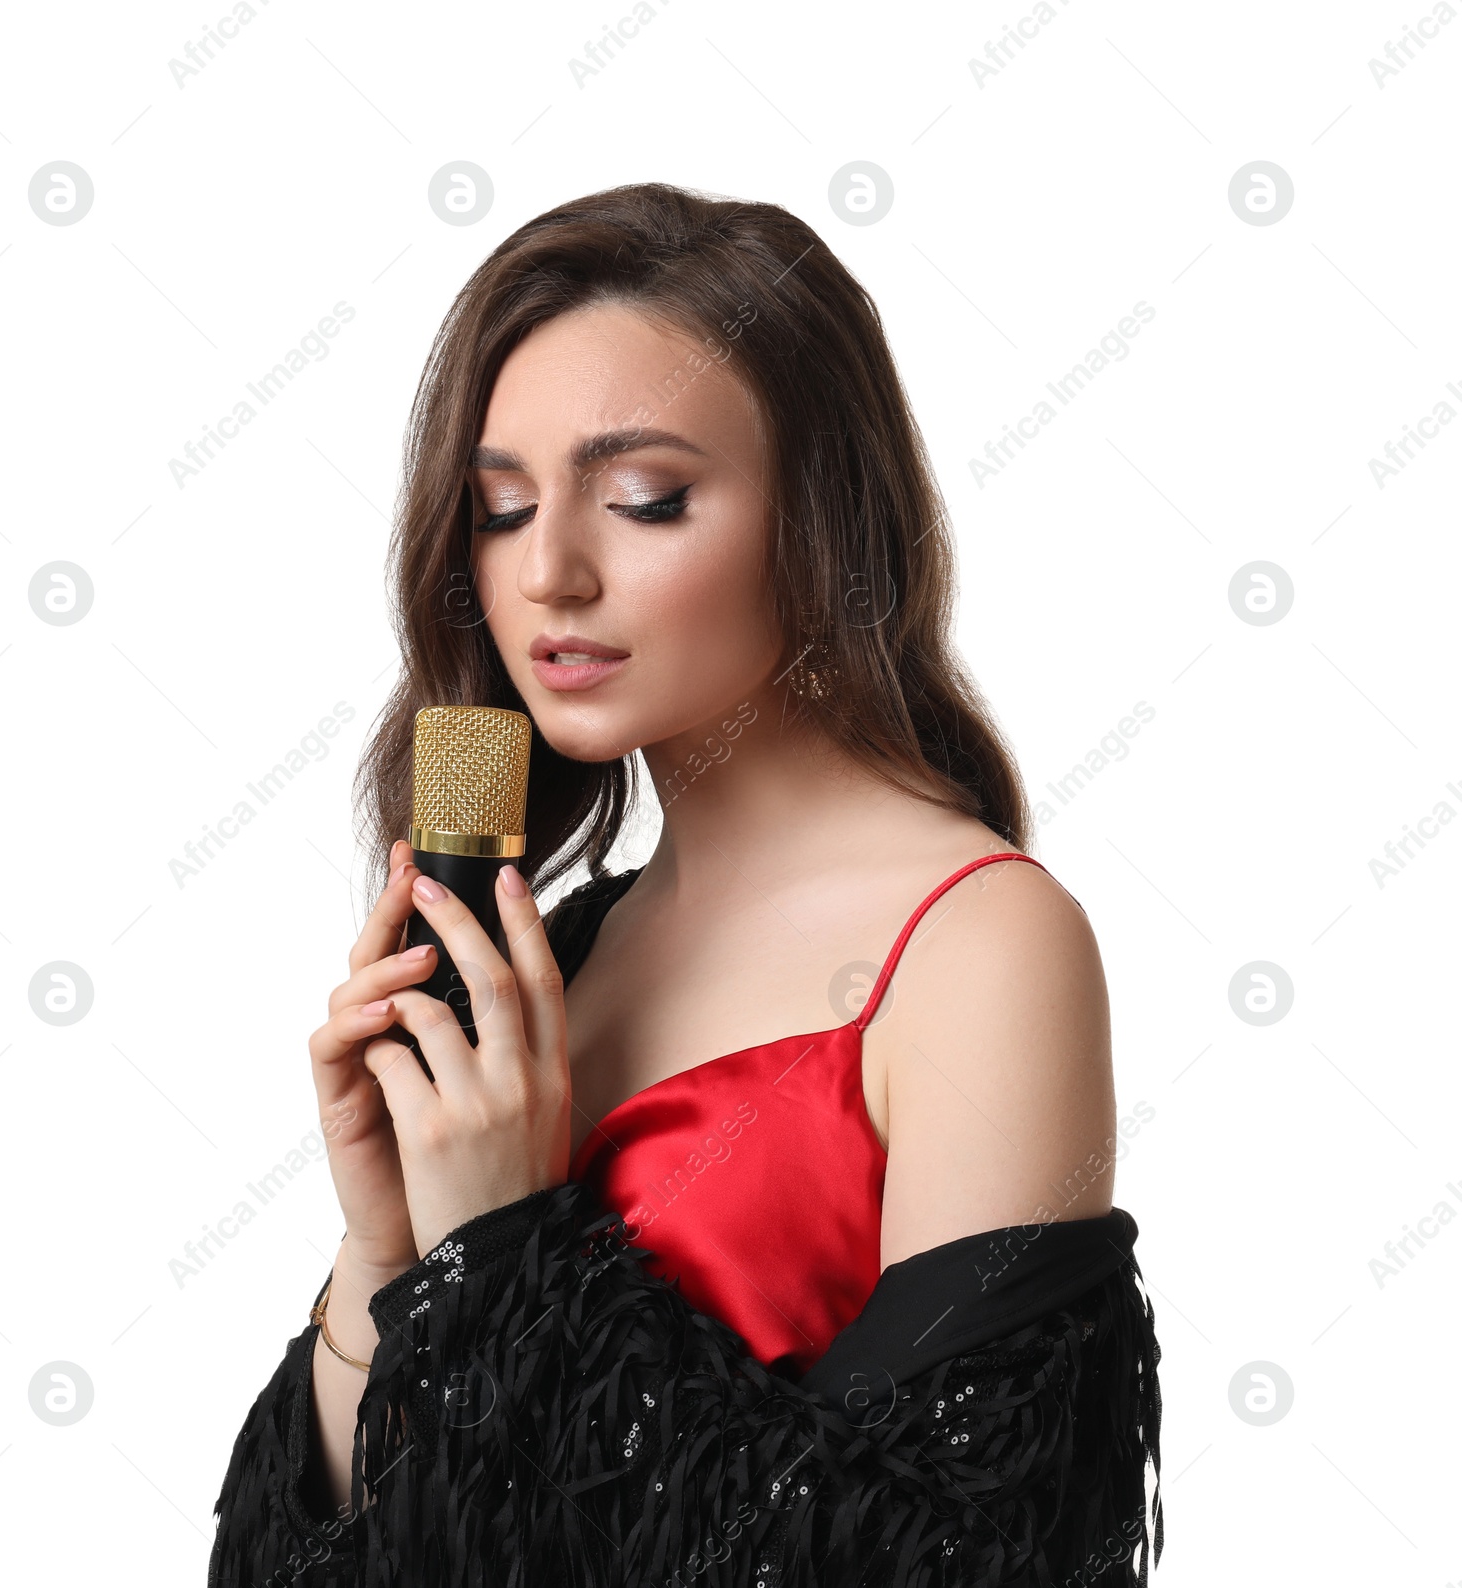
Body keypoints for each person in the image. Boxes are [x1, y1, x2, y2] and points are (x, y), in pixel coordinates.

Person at [207, 182, 1164, 1586]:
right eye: (500, 508)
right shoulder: (564, 945)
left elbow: (952, 1559)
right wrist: (383, 1254)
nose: (548, 574)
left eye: (646, 499)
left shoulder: (979, 948)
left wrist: (503, 1243)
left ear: (821, 516)